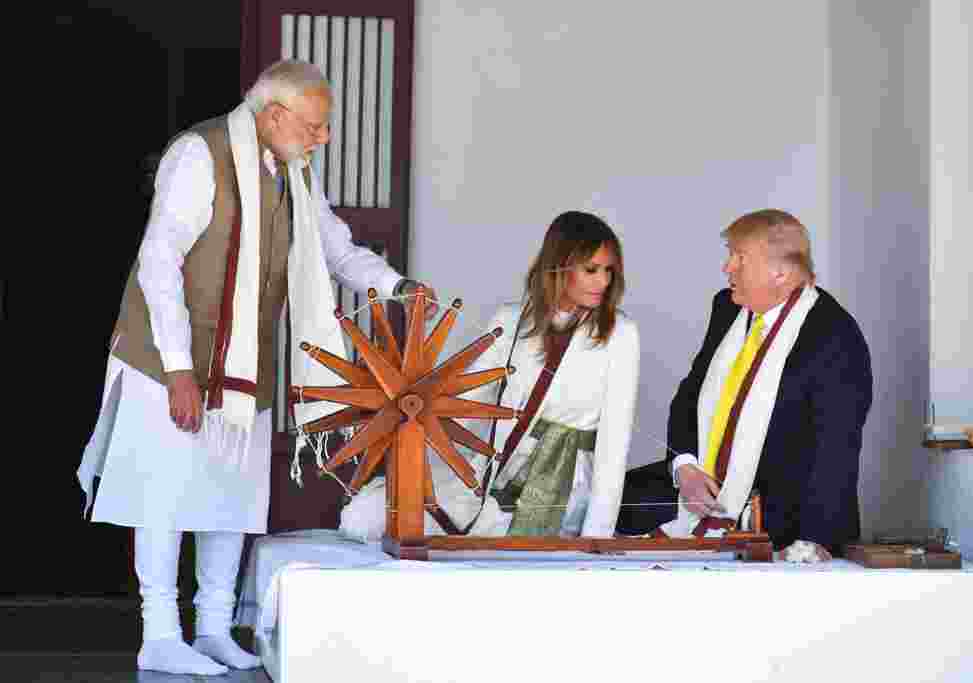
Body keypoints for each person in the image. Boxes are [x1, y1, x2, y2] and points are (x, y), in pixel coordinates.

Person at [76, 60, 434, 676]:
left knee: (228, 494)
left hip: (244, 367)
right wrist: (180, 369)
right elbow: (159, 263)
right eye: (316, 127)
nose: (323, 139)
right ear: (274, 116)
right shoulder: (199, 154)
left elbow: (336, 249)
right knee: (163, 497)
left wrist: (395, 284)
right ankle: (160, 633)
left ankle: (213, 628)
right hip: (167, 357)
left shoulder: (294, 173)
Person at [339, 210, 639, 540]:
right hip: (488, 477)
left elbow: (614, 446)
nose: (603, 282)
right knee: (361, 518)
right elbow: (461, 405)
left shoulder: (620, 334)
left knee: (508, 559)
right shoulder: (510, 322)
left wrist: (597, 538)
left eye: (609, 271)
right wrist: (400, 412)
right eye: (591, 270)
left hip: (557, 491)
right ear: (559, 265)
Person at [616, 209, 872, 561]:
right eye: (730, 255)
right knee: (607, 502)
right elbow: (690, 397)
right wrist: (685, 467)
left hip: (780, 517)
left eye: (740, 257)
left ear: (780, 272)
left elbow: (835, 451)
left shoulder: (835, 334)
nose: (727, 267)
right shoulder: (727, 308)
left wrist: (814, 541)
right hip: (699, 494)